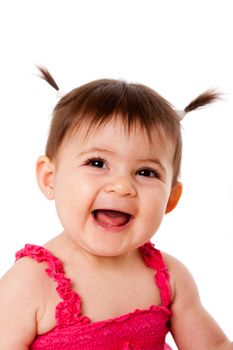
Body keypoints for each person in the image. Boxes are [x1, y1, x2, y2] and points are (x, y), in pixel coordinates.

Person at [0, 67, 232, 350]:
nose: (122, 186)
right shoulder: (29, 284)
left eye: (146, 172)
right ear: (50, 179)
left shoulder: (169, 277)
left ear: (170, 199)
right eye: (97, 163)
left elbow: (213, 346)